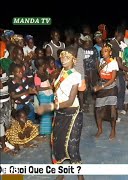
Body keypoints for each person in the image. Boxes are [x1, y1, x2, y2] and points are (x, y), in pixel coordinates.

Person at [37, 47, 84, 180]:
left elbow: (69, 101)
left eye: (67, 57)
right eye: (62, 57)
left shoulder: (76, 75)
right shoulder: (61, 72)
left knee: (72, 147)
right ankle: (61, 171)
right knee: (57, 144)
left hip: (73, 114)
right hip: (60, 113)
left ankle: (80, 174)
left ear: (74, 60)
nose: (63, 59)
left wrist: (49, 106)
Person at [93, 44, 118, 140]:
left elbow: (112, 79)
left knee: (112, 110)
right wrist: (99, 85)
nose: (103, 53)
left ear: (110, 52)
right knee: (98, 109)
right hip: (102, 86)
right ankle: (100, 129)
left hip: (111, 88)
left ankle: (113, 130)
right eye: (102, 51)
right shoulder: (101, 61)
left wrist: (100, 87)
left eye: (106, 51)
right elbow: (100, 75)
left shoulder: (113, 63)